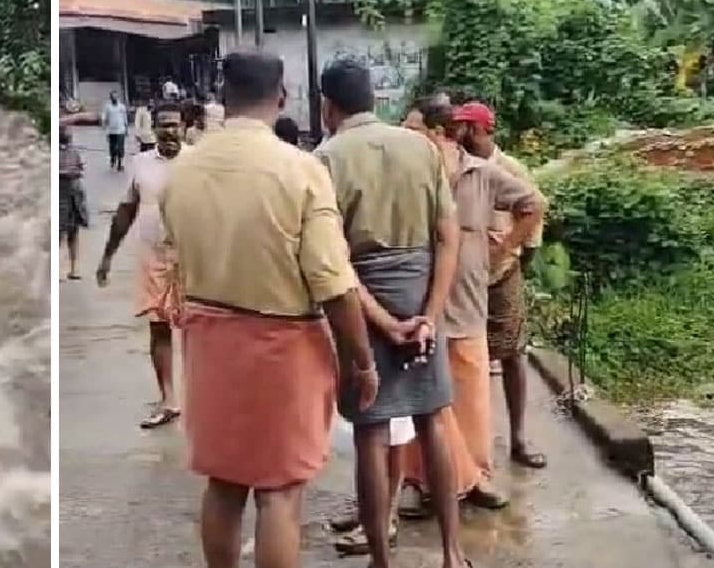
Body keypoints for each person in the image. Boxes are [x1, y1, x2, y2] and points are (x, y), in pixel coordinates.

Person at [160, 51, 379, 568]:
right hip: (282, 347)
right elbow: (333, 284)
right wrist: (361, 363)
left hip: (210, 343)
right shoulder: (299, 169)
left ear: (222, 98)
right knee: (279, 493)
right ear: (280, 96)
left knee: (224, 483)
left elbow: (177, 256)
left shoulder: (183, 170)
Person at [312, 58, 466, 568]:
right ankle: (451, 553)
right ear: (375, 97)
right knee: (433, 422)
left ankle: (382, 559)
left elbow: (334, 262)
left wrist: (382, 322)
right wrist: (429, 315)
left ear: (327, 106)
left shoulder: (325, 158)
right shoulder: (421, 147)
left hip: (363, 303)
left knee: (372, 436)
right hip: (424, 299)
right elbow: (448, 239)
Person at [399, 101, 544, 514]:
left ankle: (477, 477)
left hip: (466, 302)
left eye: (413, 127)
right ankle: (417, 481)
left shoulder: (483, 174)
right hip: (418, 305)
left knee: (471, 397)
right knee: (419, 398)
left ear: (440, 132)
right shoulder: (409, 175)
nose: (405, 134)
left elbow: (532, 204)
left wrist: (507, 248)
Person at [460, 103, 549, 470]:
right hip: (464, 278)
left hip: (501, 275)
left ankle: (518, 438)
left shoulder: (510, 170)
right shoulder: (456, 166)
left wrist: (509, 249)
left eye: (464, 127)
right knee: (467, 361)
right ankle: (473, 447)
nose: (457, 132)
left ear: (479, 130)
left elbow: (534, 220)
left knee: (513, 355)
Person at [95, 121, 186, 429]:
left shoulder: (200, 160)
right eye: (164, 126)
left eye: (175, 125)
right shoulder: (141, 163)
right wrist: (107, 255)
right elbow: (126, 211)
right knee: (159, 328)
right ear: (155, 130)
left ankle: (206, 401)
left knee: (203, 330)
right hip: (154, 257)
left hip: (194, 259)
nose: (170, 132)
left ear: (184, 127)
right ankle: (169, 400)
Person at [59, 126, 89, 281]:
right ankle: (58, 269)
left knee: (74, 234)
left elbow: (80, 168)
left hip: (75, 197)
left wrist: (75, 171)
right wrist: (64, 173)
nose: (68, 136)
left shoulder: (74, 152)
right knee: (59, 234)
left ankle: (74, 268)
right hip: (60, 196)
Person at [101, 90, 129, 171]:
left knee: (120, 147)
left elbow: (125, 117)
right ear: (110, 98)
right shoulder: (107, 107)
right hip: (112, 131)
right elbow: (104, 116)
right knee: (112, 148)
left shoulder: (122, 107)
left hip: (121, 130)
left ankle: (120, 163)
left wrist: (126, 128)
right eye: (113, 97)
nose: (114, 98)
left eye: (116, 96)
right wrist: (103, 123)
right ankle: (113, 158)